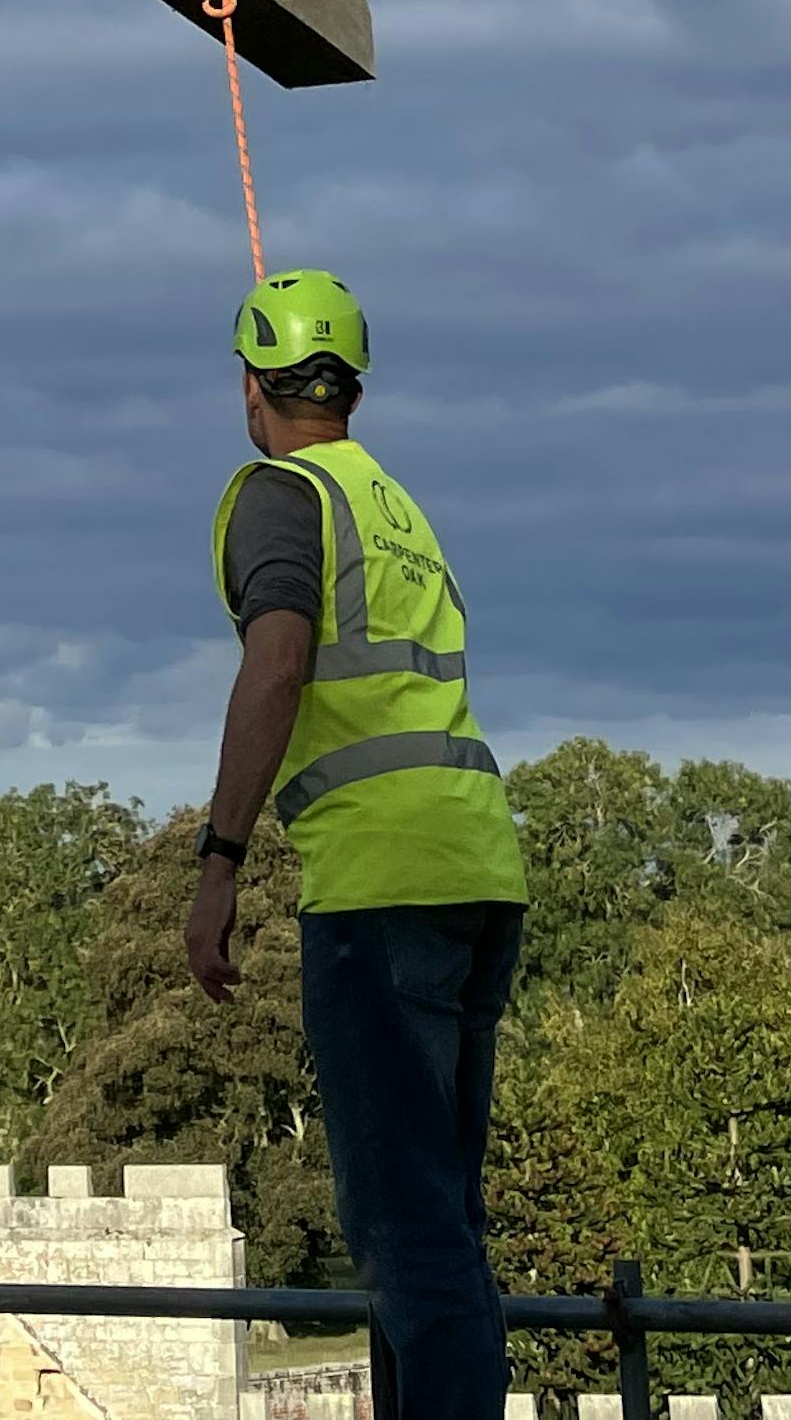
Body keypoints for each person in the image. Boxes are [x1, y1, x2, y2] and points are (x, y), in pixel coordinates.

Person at [184, 268, 527, 1420]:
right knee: (444, 1218)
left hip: (380, 890)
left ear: (252, 387)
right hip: (476, 868)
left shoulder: (279, 495)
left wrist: (219, 859)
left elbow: (276, 662)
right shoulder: (393, 502)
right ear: (353, 388)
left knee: (404, 1227)